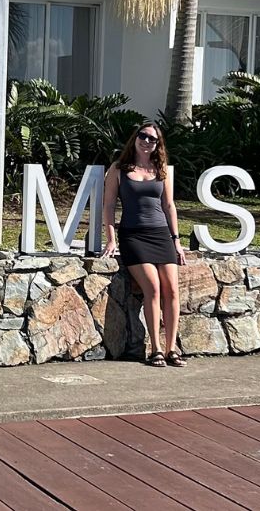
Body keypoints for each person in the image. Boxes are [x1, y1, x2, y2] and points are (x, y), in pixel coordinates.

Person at [100, 124, 189, 367]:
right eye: (143, 136)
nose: (147, 141)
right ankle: (156, 349)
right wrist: (111, 238)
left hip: (161, 235)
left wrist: (177, 241)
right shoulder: (119, 169)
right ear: (135, 137)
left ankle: (172, 349)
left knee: (171, 289)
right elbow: (108, 206)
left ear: (158, 145)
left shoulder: (161, 169)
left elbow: (169, 206)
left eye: (153, 139)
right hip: (134, 236)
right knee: (153, 287)